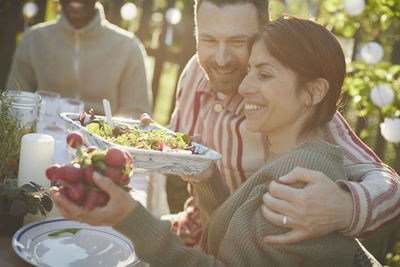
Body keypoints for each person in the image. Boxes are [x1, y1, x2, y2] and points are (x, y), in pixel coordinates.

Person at [52, 16, 372, 266]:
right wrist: (207, 180)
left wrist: (130, 219)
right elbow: (235, 243)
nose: (244, 87)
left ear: (313, 92)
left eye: (265, 74)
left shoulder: (301, 183)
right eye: (250, 71)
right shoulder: (291, 158)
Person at [160, 0, 400, 247]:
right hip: (194, 233)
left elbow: (390, 187)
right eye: (209, 41)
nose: (221, 60)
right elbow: (181, 150)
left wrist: (344, 207)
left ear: (264, 34)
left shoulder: (291, 106)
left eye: (238, 42)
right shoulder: (194, 72)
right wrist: (151, 140)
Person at [6, 0, 151, 118]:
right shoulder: (33, 40)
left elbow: (136, 113)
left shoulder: (128, 47)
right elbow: (14, 102)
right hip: (40, 141)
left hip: (102, 148)